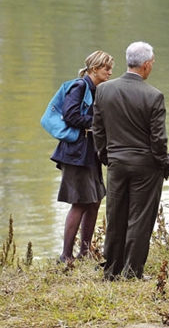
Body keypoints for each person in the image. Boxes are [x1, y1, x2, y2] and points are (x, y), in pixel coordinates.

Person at [93, 41, 169, 279]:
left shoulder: (104, 90)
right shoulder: (154, 95)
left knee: (116, 215)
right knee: (140, 218)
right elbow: (158, 139)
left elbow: (98, 129)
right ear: (147, 65)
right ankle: (132, 272)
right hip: (145, 165)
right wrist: (163, 162)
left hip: (116, 162)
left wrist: (106, 156)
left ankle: (112, 269)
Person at [51, 50, 113, 263]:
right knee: (79, 202)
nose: (110, 72)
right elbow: (70, 115)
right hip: (75, 153)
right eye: (107, 68)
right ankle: (66, 256)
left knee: (94, 200)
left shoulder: (95, 88)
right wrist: (98, 122)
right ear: (94, 69)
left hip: (89, 152)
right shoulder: (80, 86)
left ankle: (84, 253)